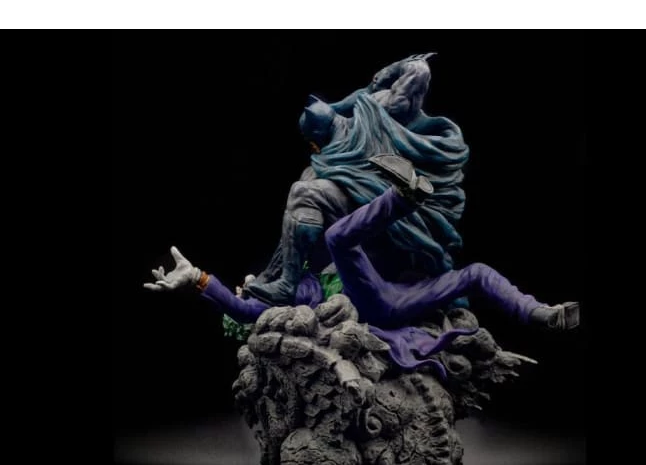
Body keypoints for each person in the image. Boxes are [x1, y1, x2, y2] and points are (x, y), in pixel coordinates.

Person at [145, 157, 579, 381]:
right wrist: (198, 278)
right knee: (339, 238)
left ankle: (544, 314)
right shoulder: (290, 298)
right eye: (245, 288)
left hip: (399, 298)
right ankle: (403, 197)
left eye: (247, 284)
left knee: (477, 272)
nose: (247, 284)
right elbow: (241, 310)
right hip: (374, 305)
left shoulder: (296, 273)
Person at [244, 53, 471, 307]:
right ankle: (283, 280)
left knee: (304, 192)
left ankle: (287, 283)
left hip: (399, 214)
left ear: (315, 139)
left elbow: (419, 70)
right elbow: (291, 228)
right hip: (363, 220)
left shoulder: (377, 110)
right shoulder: (325, 159)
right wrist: (268, 275)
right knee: (304, 191)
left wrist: (389, 72)